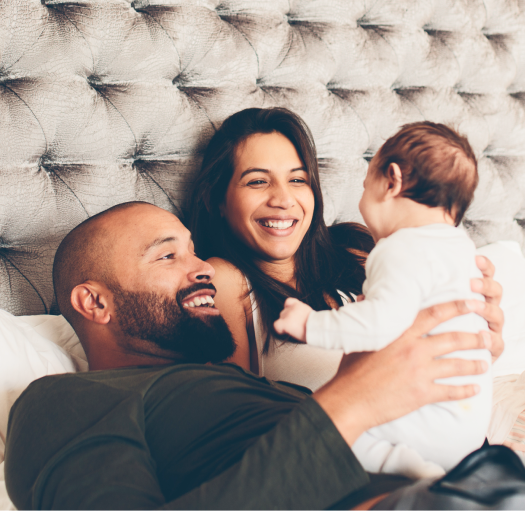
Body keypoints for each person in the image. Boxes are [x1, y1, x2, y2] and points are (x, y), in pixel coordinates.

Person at [5, 202, 492, 511]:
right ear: (95, 302)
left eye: (195, 252)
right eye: (167, 256)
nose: (203, 270)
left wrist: (450, 363)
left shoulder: (270, 392)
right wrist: (348, 405)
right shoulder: (63, 401)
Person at [189, 108, 505, 392]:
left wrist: (484, 339)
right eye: (257, 182)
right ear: (217, 200)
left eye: (298, 179)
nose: (284, 199)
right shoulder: (223, 280)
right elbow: (234, 420)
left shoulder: (358, 248)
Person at [275, 122, 492, 479]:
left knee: (338, 438)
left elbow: (378, 326)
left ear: (391, 181)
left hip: (427, 421)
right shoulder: (462, 251)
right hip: (467, 422)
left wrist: (311, 324)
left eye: (365, 186)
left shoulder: (400, 247)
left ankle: (410, 471)